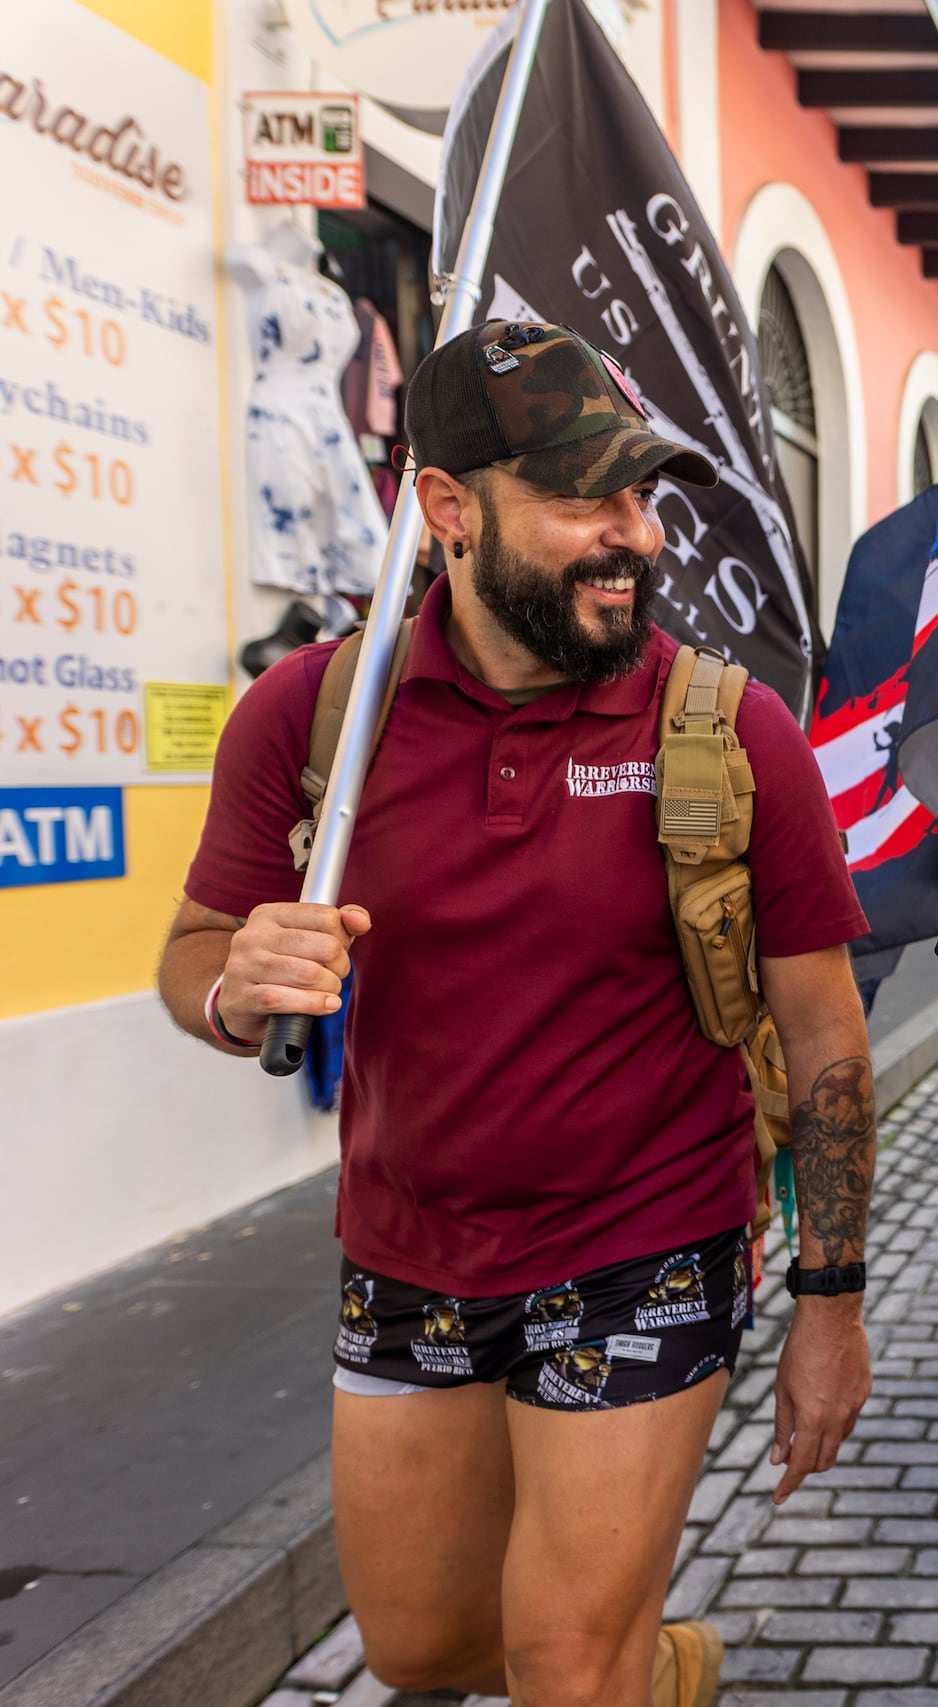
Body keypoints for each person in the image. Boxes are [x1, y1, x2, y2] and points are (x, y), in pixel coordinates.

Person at [157, 322, 879, 1707]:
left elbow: (831, 1037)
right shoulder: (314, 721)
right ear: (447, 509)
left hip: (646, 1245)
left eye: (639, 497)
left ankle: (606, 1664)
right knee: (418, 1646)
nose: (632, 536)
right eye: (579, 501)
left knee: (559, 1662)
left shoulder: (728, 730)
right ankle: (655, 1670)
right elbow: (195, 957)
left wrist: (829, 1305)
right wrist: (234, 981)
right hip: (408, 1248)